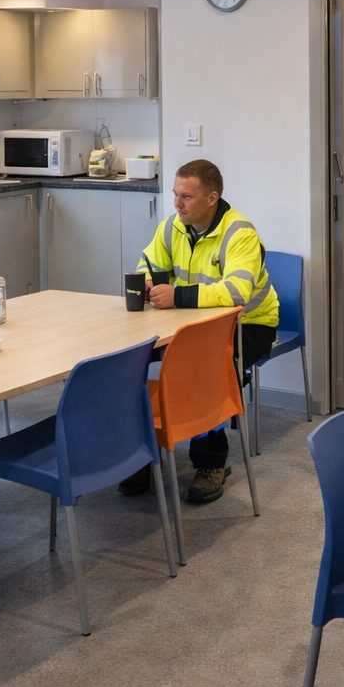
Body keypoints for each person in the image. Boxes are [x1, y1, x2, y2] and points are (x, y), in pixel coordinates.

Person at [124, 158, 279, 504]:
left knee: (206, 370)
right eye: (176, 195)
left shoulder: (240, 233)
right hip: (189, 325)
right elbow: (147, 262)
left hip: (249, 326)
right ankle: (138, 455)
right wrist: (148, 280)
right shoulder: (171, 227)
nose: (177, 204)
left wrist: (177, 296)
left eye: (187, 197)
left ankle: (211, 464)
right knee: (128, 361)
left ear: (212, 198)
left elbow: (237, 294)